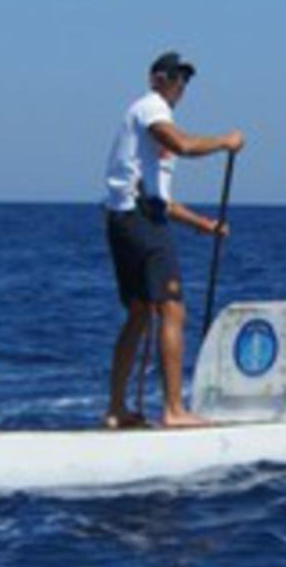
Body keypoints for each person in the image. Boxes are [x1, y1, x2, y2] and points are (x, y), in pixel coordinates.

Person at [102, 51, 245, 428]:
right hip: (140, 222)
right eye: (174, 77)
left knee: (139, 313)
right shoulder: (151, 108)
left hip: (127, 219)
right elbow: (182, 145)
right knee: (172, 310)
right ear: (156, 79)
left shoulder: (150, 126)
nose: (180, 85)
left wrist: (203, 225)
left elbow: (161, 199)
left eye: (184, 79)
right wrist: (225, 142)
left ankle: (116, 409)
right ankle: (174, 410)